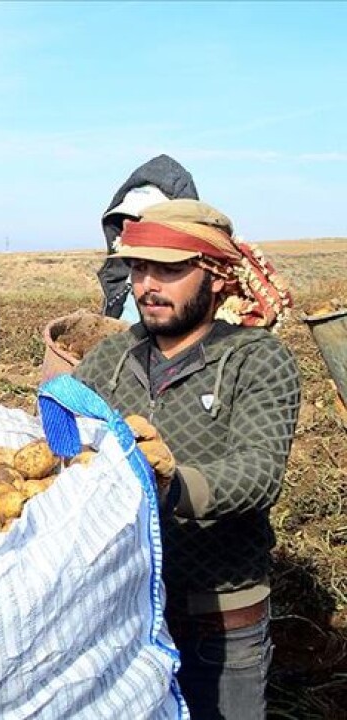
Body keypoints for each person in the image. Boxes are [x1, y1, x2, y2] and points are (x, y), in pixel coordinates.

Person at [71, 199, 299, 720]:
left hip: (216, 623)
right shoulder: (113, 355)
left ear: (216, 276)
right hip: (119, 616)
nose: (148, 285)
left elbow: (259, 472)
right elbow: (64, 432)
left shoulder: (256, 358)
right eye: (138, 268)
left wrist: (167, 484)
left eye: (169, 270)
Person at [99, 154, 200, 322]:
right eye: (125, 219)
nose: (130, 230)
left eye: (142, 221)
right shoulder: (122, 285)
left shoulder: (203, 294)